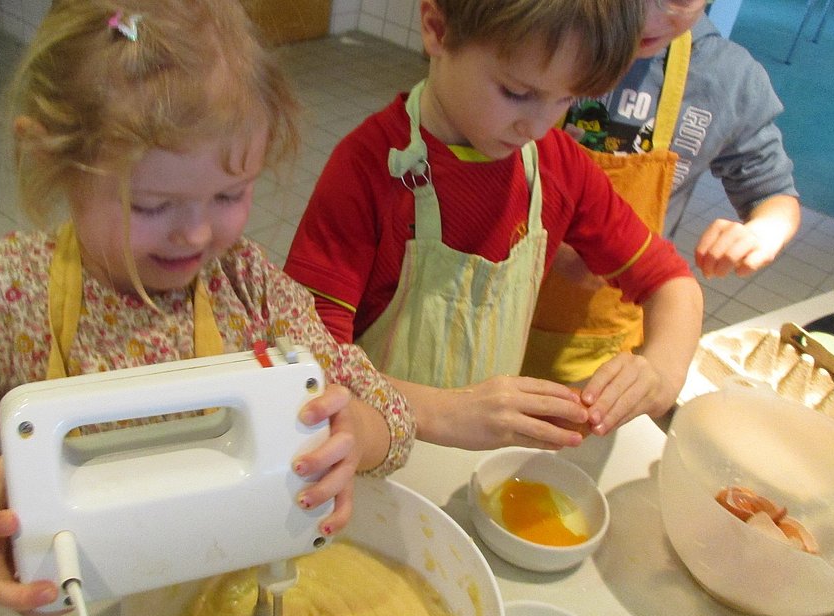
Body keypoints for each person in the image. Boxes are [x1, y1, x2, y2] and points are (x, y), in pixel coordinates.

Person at [0, 0, 414, 615]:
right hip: (57, 614)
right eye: (151, 206)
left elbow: (388, 412)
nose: (195, 236)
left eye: (229, 194)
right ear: (52, 159)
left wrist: (357, 434)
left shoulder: (249, 288)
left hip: (211, 592)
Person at [283, 0, 703, 452]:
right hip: (361, 454)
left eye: (566, 98)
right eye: (516, 93)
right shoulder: (368, 168)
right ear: (437, 28)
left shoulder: (559, 167)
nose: (539, 125)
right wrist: (442, 411)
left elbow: (671, 282)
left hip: (479, 465)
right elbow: (307, 365)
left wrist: (660, 370)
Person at [522, 0, 801, 385]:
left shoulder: (725, 77)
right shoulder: (533, 24)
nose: (645, 17)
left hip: (602, 343)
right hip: (486, 303)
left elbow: (775, 195)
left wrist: (763, 231)